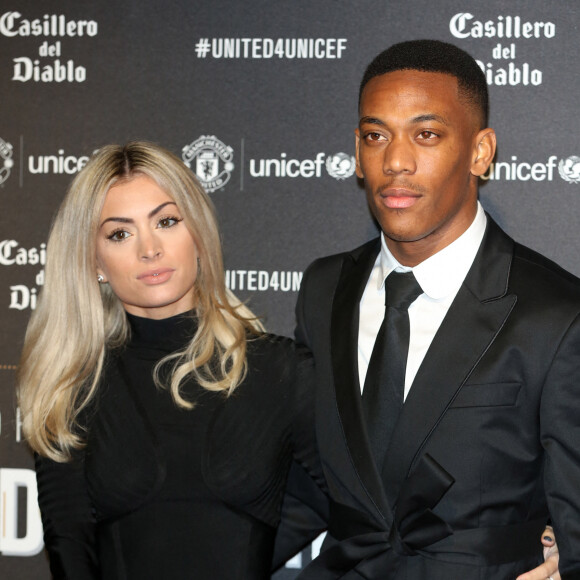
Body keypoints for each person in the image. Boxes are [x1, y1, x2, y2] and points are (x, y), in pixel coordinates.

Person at [285, 39, 578, 578]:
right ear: (357, 149)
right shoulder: (325, 289)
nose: (395, 162)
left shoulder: (557, 315)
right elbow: (306, 483)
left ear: (480, 151)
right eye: (376, 136)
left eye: (427, 134)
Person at [17, 141, 320, 579]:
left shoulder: (281, 371)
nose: (149, 248)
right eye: (120, 233)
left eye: (167, 221)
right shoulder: (73, 388)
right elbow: (72, 551)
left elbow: (356, 512)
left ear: (197, 232)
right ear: (94, 260)